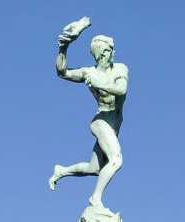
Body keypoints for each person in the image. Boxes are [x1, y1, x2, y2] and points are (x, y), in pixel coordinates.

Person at [49, 24, 128, 209]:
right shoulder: (88, 73)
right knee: (116, 159)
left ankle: (62, 171)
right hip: (101, 122)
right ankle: (95, 198)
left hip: (115, 123)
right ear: (101, 54)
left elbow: (121, 89)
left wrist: (99, 84)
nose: (113, 53)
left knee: (95, 168)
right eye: (109, 50)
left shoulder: (120, 68)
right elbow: (62, 72)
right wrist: (63, 48)